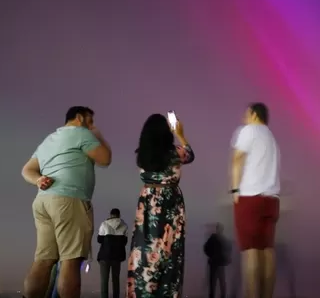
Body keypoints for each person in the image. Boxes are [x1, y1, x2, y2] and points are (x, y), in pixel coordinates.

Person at [22, 106, 112, 298]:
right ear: (79, 118)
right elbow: (105, 158)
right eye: (90, 120)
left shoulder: (48, 140)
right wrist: (98, 136)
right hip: (69, 200)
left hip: (43, 201)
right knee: (70, 261)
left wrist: (38, 180)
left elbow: (27, 170)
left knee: (43, 260)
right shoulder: (81, 133)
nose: (92, 125)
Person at [127, 113, 195, 298]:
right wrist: (180, 133)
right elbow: (190, 155)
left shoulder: (142, 156)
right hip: (170, 203)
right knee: (170, 251)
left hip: (148, 202)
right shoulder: (174, 153)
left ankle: (143, 291)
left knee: (145, 249)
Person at [231, 102, 280, 298]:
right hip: (272, 199)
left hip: (250, 197)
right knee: (267, 250)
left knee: (250, 251)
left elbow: (237, 160)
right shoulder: (271, 138)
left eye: (246, 113)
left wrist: (235, 189)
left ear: (253, 114)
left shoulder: (249, 130)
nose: (244, 117)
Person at [97, 208, 128, 298]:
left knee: (104, 280)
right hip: (117, 257)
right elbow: (124, 242)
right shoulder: (124, 226)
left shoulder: (104, 224)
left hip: (104, 256)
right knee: (116, 280)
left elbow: (99, 240)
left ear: (110, 215)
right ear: (119, 215)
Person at [204, 223, 230, 298]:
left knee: (215, 282)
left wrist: (211, 256)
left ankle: (216, 296)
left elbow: (206, 248)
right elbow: (206, 248)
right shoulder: (221, 239)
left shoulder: (216, 238)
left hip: (215, 263)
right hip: (218, 263)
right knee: (219, 282)